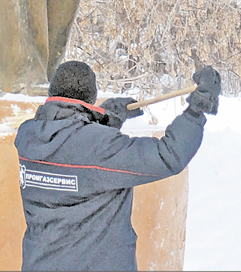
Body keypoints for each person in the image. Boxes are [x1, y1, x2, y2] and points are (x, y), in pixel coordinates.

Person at [14, 61, 221, 271]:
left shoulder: (28, 136)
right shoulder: (99, 148)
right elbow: (168, 155)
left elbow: (73, 151)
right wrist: (198, 109)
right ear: (91, 97)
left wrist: (105, 118)